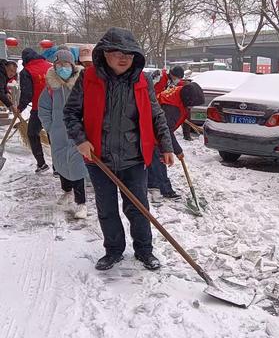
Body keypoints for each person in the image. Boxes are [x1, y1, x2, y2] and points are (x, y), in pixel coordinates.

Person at [64, 27, 174, 272]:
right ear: (104, 53)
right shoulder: (89, 78)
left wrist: (166, 145)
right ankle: (113, 251)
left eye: (129, 53)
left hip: (134, 158)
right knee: (107, 209)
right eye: (117, 52)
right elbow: (71, 113)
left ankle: (144, 251)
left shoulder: (142, 80)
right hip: (98, 158)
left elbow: (156, 115)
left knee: (138, 207)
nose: (123, 57)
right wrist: (80, 140)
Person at [38, 49, 88, 219]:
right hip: (58, 133)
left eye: (65, 64)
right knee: (60, 164)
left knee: (77, 166)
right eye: (58, 64)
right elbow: (43, 108)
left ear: (73, 65)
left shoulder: (82, 83)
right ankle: (67, 191)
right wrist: (50, 127)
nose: (62, 68)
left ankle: (81, 203)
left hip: (78, 133)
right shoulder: (51, 87)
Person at [148, 82, 204, 203]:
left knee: (156, 160)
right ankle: (162, 190)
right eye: (192, 104)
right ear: (187, 99)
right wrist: (177, 150)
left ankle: (157, 187)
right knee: (158, 160)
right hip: (152, 132)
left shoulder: (180, 92)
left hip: (155, 128)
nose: (192, 107)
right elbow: (166, 131)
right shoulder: (171, 107)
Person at [16, 48, 52, 173]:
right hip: (56, 108)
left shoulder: (27, 71)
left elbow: (27, 93)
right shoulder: (50, 66)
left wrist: (20, 107)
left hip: (39, 109)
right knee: (53, 136)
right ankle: (59, 167)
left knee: (32, 134)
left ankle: (41, 164)